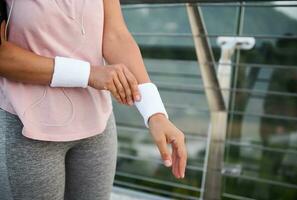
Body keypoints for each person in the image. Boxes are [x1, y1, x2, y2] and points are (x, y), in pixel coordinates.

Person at [0, 0, 187, 200]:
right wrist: (89, 74)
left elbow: (115, 35)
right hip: (27, 129)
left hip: (98, 127)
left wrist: (154, 112)